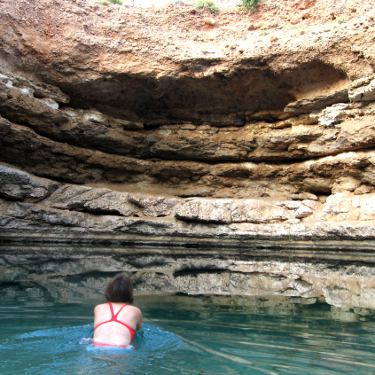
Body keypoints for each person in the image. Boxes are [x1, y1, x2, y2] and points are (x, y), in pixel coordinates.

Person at [92, 274, 143, 348]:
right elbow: (139, 332)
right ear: (129, 293)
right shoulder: (135, 311)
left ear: (109, 291)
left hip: (95, 347)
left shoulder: (98, 308)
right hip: (121, 350)